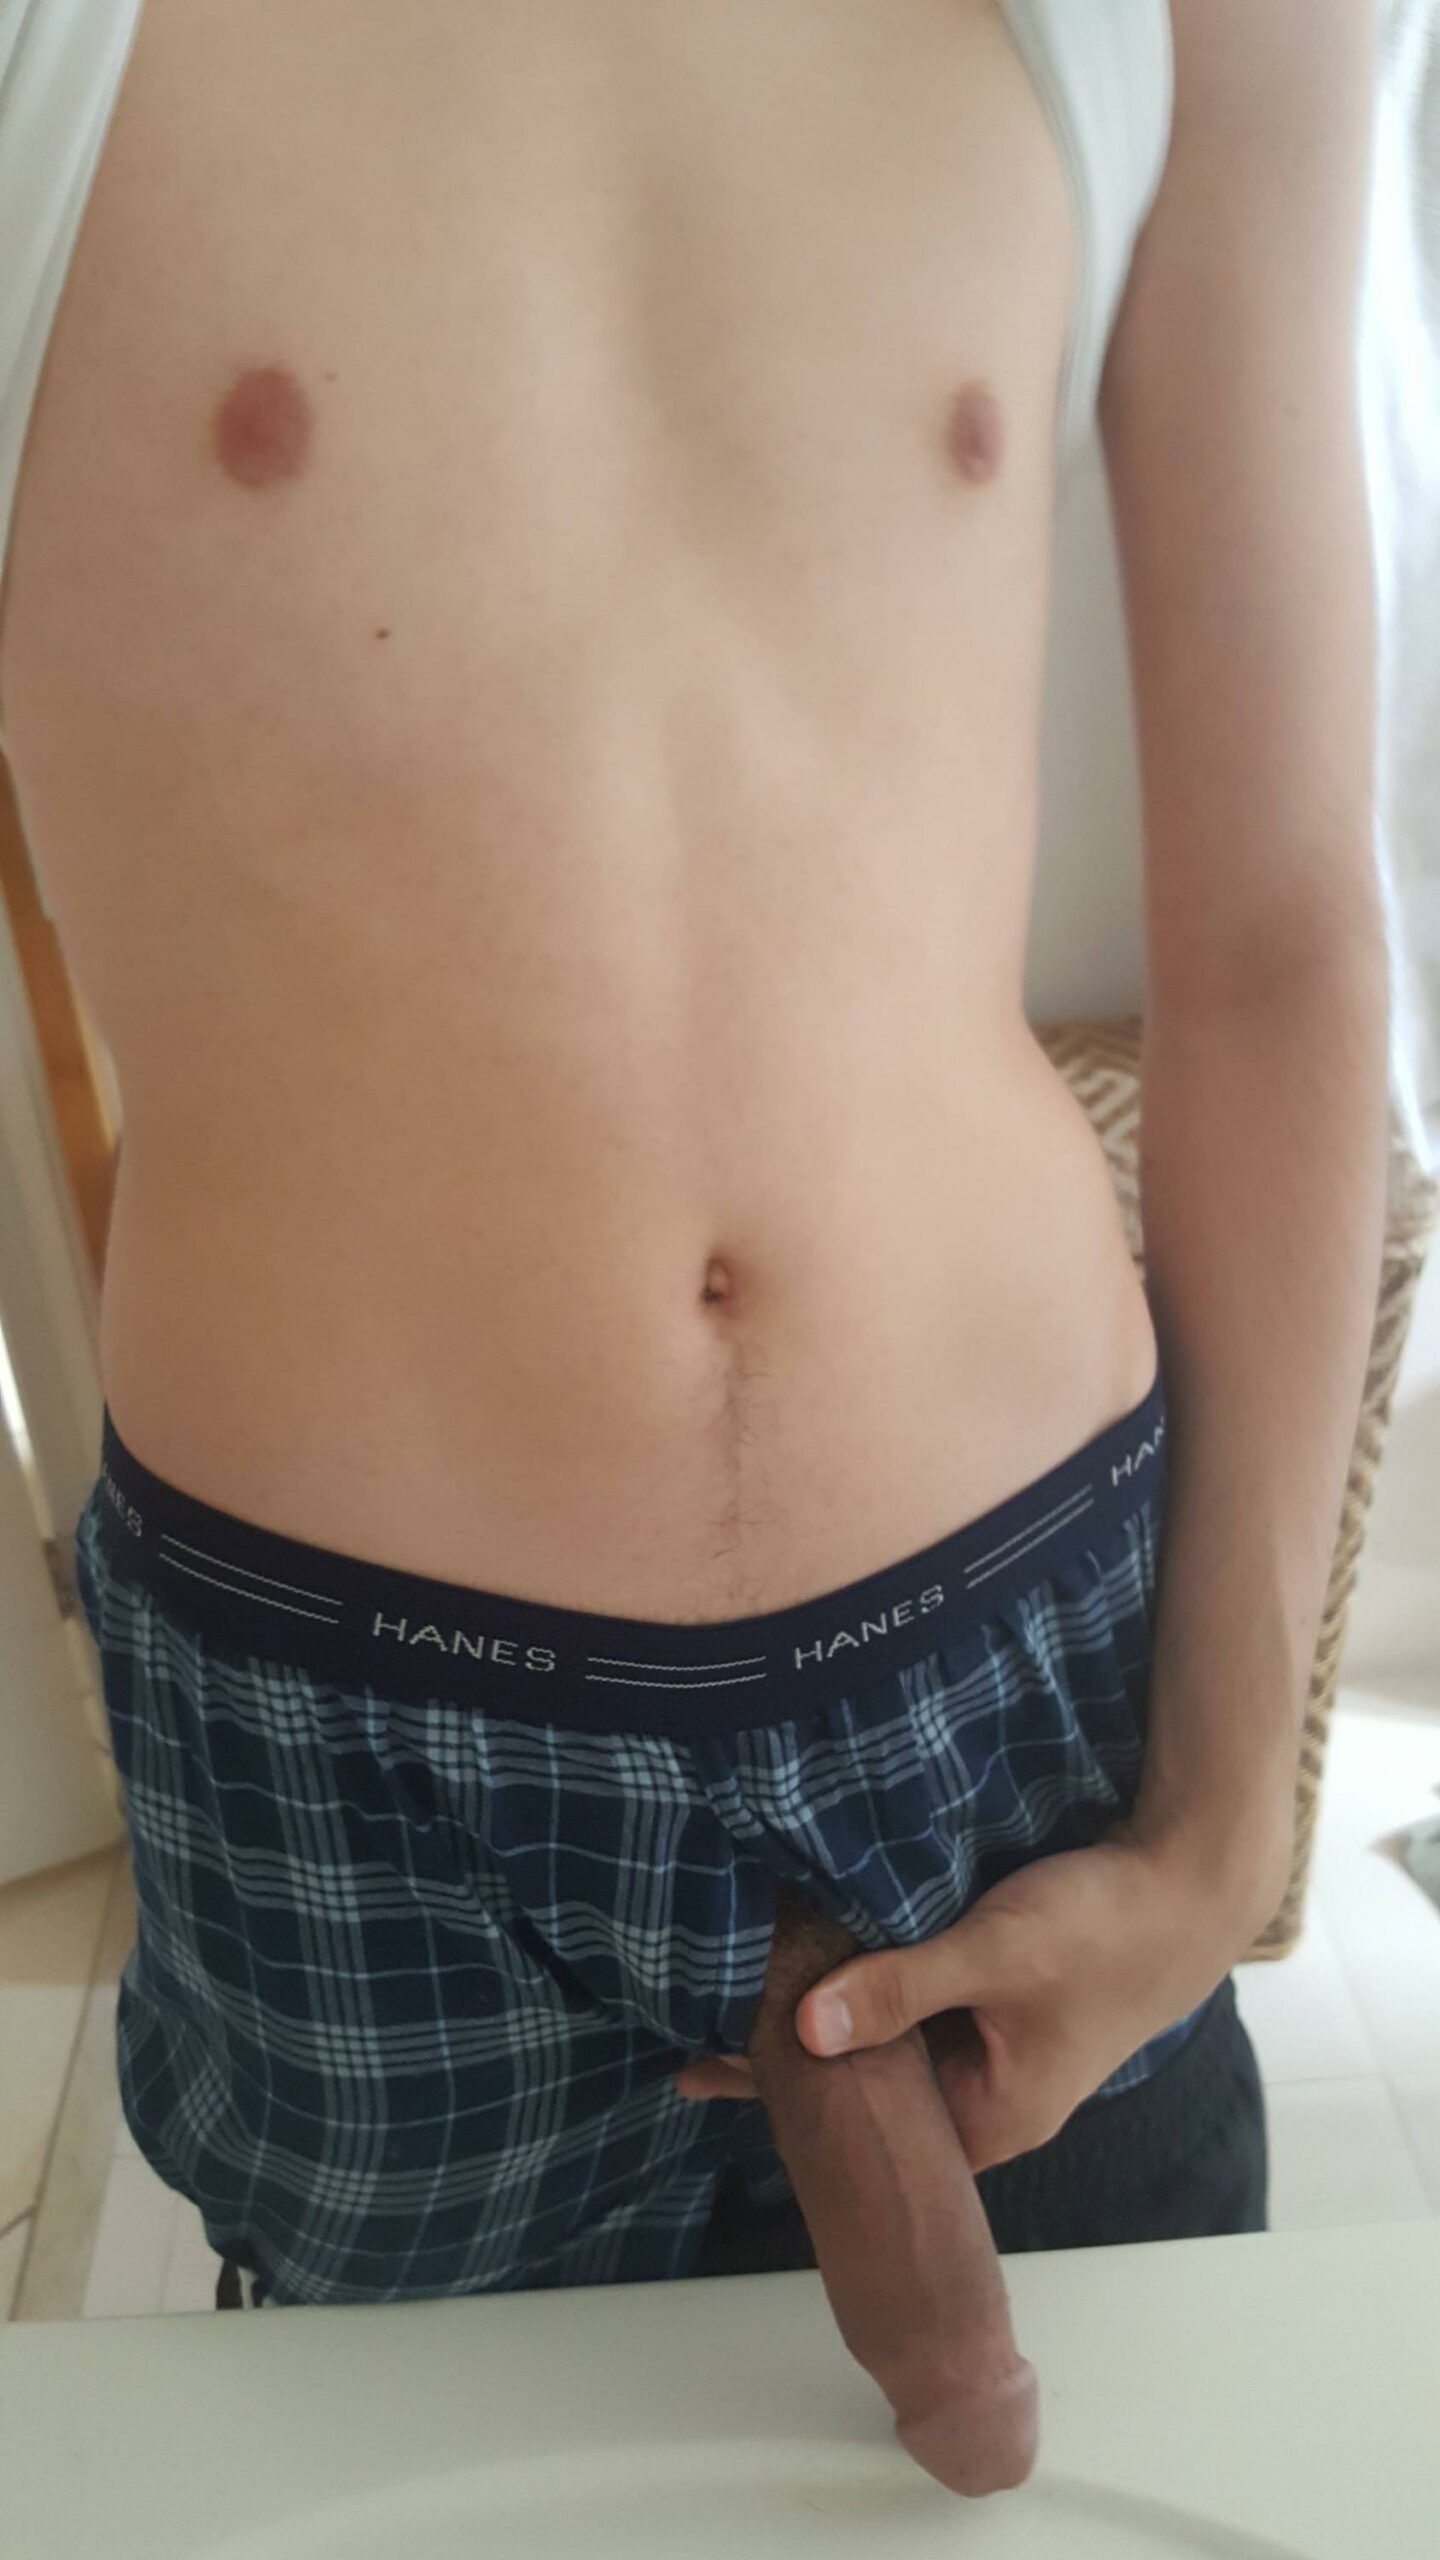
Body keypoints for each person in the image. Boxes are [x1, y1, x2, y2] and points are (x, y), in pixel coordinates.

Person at [0, 0, 1389, 2310]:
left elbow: (1277, 931)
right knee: (434, 2476)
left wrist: (1227, 1816)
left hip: (1018, 1662)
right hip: (343, 1743)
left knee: (1117, 2436)